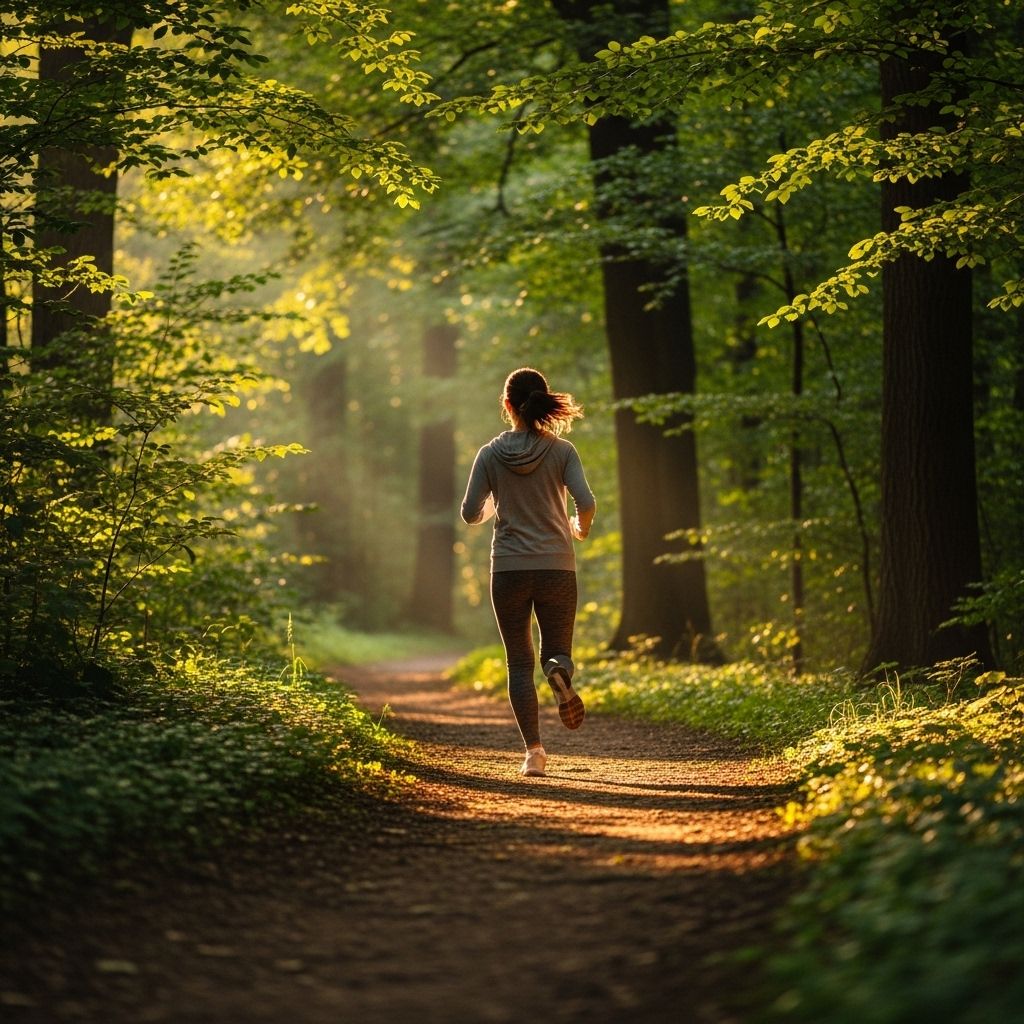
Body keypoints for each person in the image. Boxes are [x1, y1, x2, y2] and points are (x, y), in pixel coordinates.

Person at [460, 366, 597, 778]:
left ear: (507, 405)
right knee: (556, 651)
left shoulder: (489, 453)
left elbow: (469, 513)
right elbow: (586, 502)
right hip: (557, 564)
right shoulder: (562, 451)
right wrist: (579, 528)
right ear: (542, 401)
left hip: (509, 568)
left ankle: (534, 753)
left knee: (518, 663)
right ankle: (558, 672)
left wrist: (494, 507)